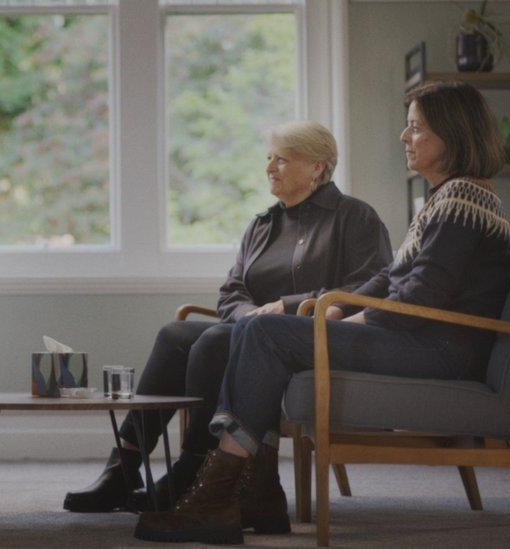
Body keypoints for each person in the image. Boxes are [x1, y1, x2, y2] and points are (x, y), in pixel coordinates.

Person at [133, 81, 510, 544]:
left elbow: (418, 299)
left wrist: (348, 318)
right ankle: (254, 493)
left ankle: (221, 497)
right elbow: (390, 279)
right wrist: (331, 314)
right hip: (424, 340)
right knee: (265, 332)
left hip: (439, 348)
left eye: (415, 127)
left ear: (452, 135)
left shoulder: (461, 201)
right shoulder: (447, 198)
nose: (403, 136)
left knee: (266, 333)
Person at [64, 122, 392, 526]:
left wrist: (285, 307)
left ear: (317, 168)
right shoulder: (263, 224)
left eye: (282, 158)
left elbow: (368, 286)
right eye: (269, 157)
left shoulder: (355, 217)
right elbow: (231, 291)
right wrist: (246, 316)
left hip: (307, 341)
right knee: (174, 335)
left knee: (214, 342)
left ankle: (195, 469)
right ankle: (124, 466)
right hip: (250, 331)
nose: (270, 166)